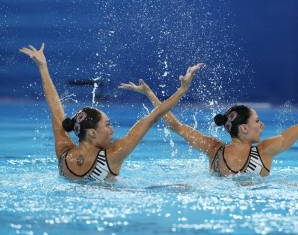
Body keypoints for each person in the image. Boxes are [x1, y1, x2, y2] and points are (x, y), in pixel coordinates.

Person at [120, 67, 298, 177]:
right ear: (244, 128)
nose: (262, 125)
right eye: (258, 121)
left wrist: (151, 94)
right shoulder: (265, 152)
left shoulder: (213, 150)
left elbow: (176, 126)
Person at [20, 43, 203, 181]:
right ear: (92, 133)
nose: (112, 130)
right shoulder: (113, 155)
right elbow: (152, 117)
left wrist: (42, 68)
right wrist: (182, 89)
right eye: (107, 125)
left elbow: (55, 109)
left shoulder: (63, 153)